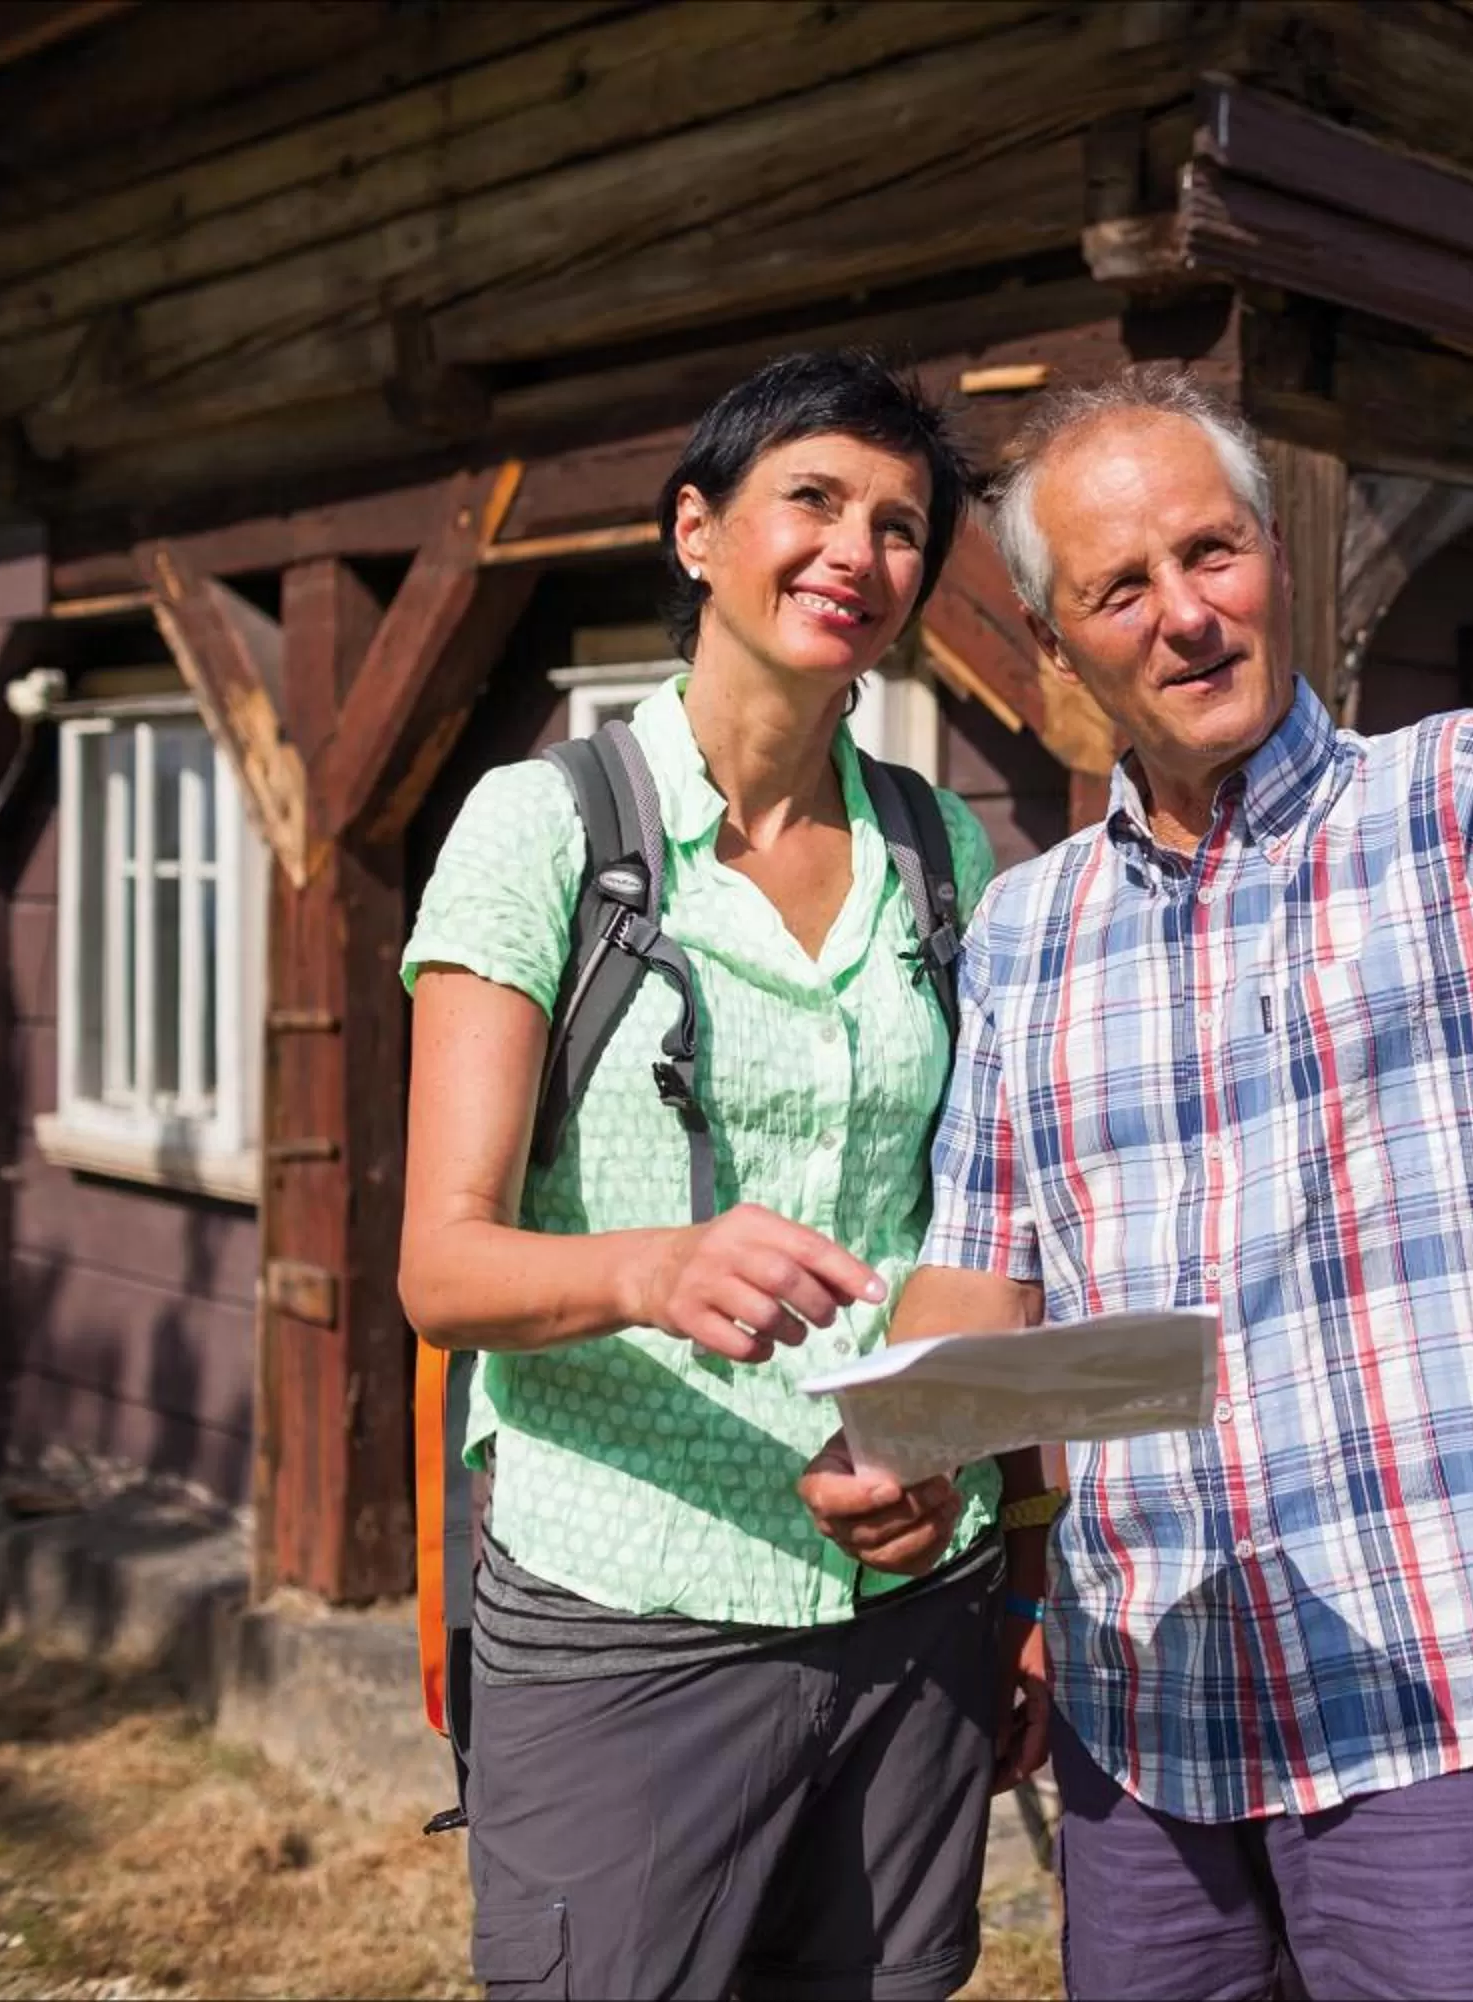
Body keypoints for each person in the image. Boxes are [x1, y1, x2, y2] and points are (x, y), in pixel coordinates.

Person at [804, 294, 1473, 1998]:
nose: (1188, 614)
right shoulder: (1030, 931)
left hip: (1439, 1697)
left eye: (1214, 551)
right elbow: (978, 1268)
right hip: (1148, 1711)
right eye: (1123, 588)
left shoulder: (1458, 811)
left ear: (1272, 552)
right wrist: (915, 1451)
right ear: (1060, 651)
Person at [395, 349, 1051, 2002]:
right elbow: (440, 1268)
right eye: (812, 499)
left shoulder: (939, 846)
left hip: (911, 1599)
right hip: (634, 1606)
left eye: (903, 526)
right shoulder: (543, 827)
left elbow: (958, 1222)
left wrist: (949, 1459)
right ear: (697, 530)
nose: (859, 552)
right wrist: (643, 1265)